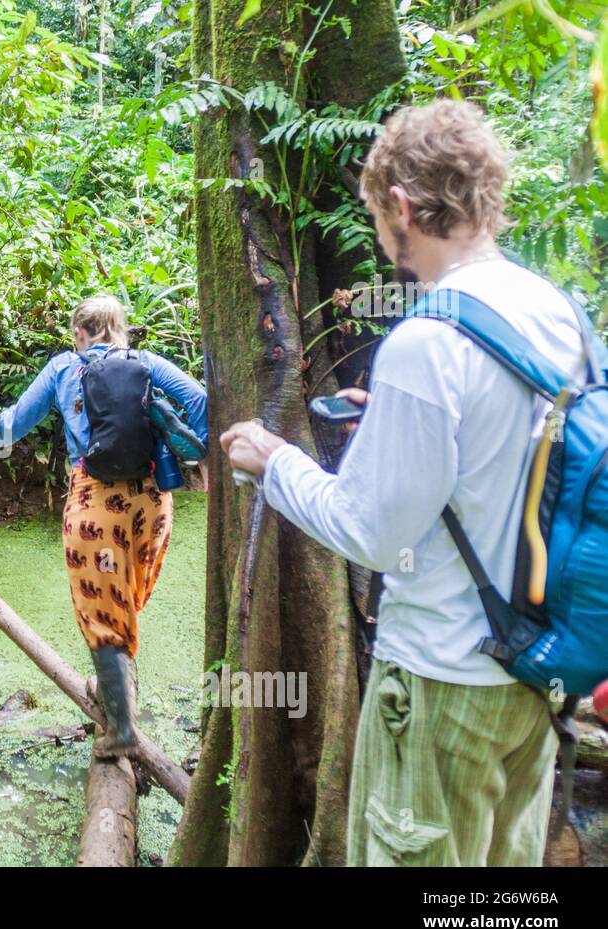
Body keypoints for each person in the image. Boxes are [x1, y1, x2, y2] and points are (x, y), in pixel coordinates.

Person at [221, 100, 586, 866]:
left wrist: (274, 461)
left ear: (400, 205)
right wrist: (394, 420)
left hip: (442, 684)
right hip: (534, 679)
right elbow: (513, 459)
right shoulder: (558, 314)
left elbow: (372, 533)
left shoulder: (428, 340)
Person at [0, 294, 208, 758]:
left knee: (101, 609)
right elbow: (198, 401)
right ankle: (116, 681)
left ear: (79, 333)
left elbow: (13, 426)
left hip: (97, 505)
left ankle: (120, 729)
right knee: (128, 595)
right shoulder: (147, 363)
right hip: (153, 502)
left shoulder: (63, 368)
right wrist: (205, 457)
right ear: (120, 329)